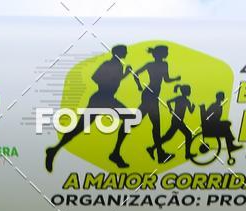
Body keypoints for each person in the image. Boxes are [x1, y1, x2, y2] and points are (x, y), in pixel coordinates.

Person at [45, 44, 137, 172]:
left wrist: (124, 74)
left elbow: (113, 80)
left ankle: (115, 153)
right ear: (119, 53)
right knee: (80, 127)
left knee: (131, 119)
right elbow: (95, 77)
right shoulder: (108, 64)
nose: (126, 53)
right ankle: (54, 150)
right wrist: (116, 79)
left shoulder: (118, 65)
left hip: (107, 99)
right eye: (124, 51)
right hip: (101, 98)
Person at [133, 45, 181, 164]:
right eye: (166, 52)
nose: (167, 53)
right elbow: (136, 73)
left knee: (151, 124)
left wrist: (175, 79)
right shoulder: (160, 64)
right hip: (150, 95)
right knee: (153, 125)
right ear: (161, 53)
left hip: (151, 95)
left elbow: (166, 79)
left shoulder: (160, 64)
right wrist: (139, 86)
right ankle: (160, 154)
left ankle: (160, 153)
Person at [160, 83, 196, 159]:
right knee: (188, 135)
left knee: (168, 136)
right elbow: (168, 101)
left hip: (178, 120)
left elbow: (190, 111)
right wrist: (170, 109)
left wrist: (193, 107)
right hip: (177, 120)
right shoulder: (182, 99)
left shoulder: (184, 100)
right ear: (185, 91)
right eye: (189, 90)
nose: (190, 91)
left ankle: (153, 147)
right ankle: (187, 154)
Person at [201, 92, 241, 156]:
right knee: (226, 127)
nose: (223, 97)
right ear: (219, 97)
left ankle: (231, 145)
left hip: (213, 125)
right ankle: (231, 145)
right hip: (211, 127)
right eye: (222, 96)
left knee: (226, 127)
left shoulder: (218, 105)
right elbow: (211, 118)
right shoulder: (215, 106)